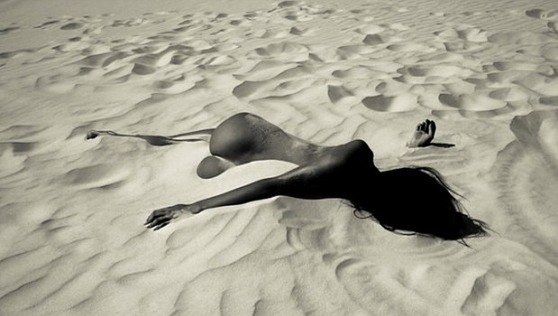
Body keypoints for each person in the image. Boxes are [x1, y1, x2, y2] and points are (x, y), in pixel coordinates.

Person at [88, 112, 486, 240]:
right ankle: (124, 137)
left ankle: (131, 137)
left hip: (253, 133)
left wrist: (413, 148)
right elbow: (271, 185)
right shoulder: (344, 178)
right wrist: (194, 206)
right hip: (242, 138)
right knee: (197, 148)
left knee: (193, 145)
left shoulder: (361, 157)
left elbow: (276, 183)